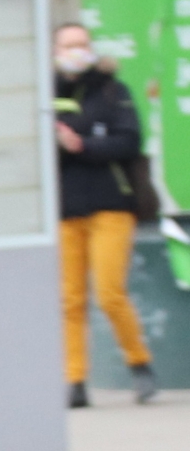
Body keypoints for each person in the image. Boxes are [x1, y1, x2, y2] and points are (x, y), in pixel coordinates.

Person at [53, 23, 160, 407]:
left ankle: (140, 363)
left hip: (112, 205)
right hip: (66, 209)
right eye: (68, 45)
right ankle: (75, 381)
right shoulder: (47, 92)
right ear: (55, 50)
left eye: (82, 44)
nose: (76, 51)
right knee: (70, 299)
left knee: (110, 292)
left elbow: (129, 141)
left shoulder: (113, 90)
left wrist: (81, 144)